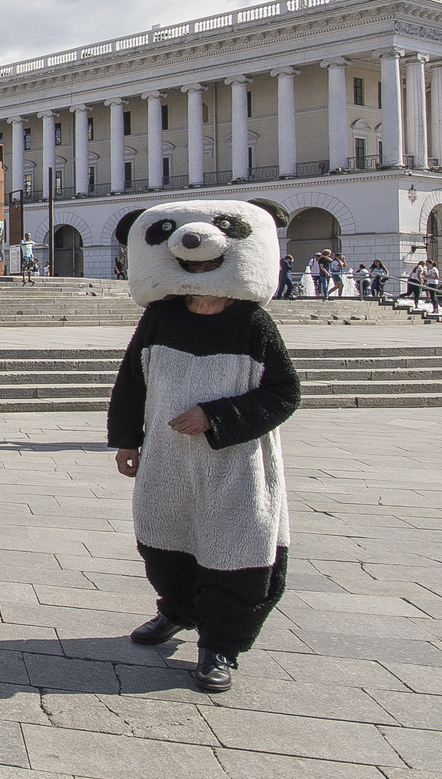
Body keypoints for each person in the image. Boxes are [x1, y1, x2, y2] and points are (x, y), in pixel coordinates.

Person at [108, 198, 300, 694]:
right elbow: (132, 381)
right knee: (163, 536)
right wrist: (127, 439)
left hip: (235, 461)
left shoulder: (253, 324)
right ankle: (175, 610)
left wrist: (217, 417)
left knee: (234, 546)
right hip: (168, 458)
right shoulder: (159, 317)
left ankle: (220, 645)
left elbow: (284, 393)